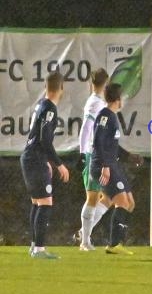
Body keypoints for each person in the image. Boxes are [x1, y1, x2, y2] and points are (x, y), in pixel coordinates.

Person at [21, 72, 70, 259]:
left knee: (37, 202)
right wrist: (59, 164)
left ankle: (34, 246)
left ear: (46, 86)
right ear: (61, 89)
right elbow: (44, 140)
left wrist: (46, 162)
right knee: (45, 203)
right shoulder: (49, 108)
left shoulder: (41, 104)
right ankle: (39, 249)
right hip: (34, 158)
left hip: (31, 157)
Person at [91, 83, 139, 255]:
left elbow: (112, 146)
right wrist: (104, 166)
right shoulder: (105, 116)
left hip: (113, 165)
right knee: (122, 202)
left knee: (130, 203)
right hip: (103, 166)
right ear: (118, 99)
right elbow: (98, 141)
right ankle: (113, 244)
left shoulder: (112, 116)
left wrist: (129, 156)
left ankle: (89, 233)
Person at [76, 68, 112, 251]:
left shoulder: (99, 102)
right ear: (105, 84)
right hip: (92, 155)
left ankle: (84, 233)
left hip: (98, 155)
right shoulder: (95, 103)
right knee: (92, 197)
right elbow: (86, 128)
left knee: (107, 197)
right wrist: (83, 153)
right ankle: (84, 241)